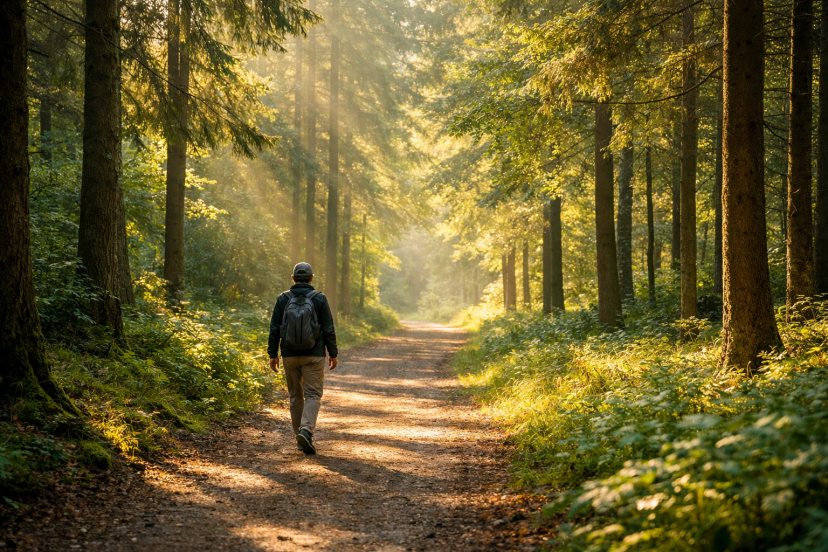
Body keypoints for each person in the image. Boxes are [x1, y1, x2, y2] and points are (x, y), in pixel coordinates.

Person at [268, 262, 338, 454]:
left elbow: (274, 328)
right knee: (313, 394)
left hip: (289, 355)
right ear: (311, 278)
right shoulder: (319, 298)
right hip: (314, 355)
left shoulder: (283, 299)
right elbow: (328, 328)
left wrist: (272, 354)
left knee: (295, 396)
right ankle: (306, 431)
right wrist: (333, 353)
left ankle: (300, 438)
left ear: (293, 278)